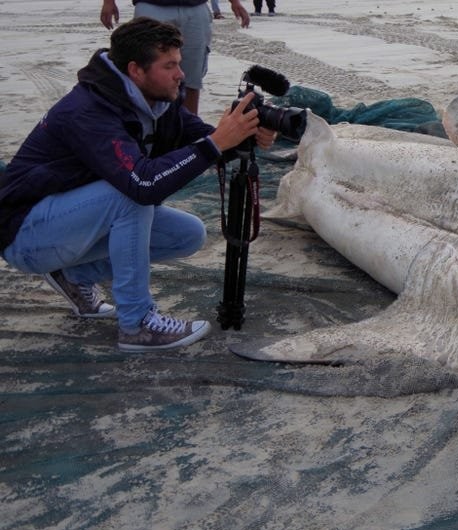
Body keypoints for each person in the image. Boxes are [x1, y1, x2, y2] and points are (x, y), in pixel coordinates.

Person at [0, 17, 274, 351]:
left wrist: (241, 136)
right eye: (169, 65)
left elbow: (199, 139)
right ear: (135, 70)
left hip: (68, 224)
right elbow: (143, 184)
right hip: (24, 234)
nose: (181, 74)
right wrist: (215, 143)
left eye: (179, 63)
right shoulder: (88, 110)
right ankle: (137, 324)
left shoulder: (158, 100)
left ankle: (73, 276)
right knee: (132, 195)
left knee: (186, 235)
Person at [101, 0, 253, 116]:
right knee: (146, 76)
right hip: (152, 6)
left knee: (192, 80)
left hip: (195, 8)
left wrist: (234, 2)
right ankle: (147, 134)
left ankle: (188, 136)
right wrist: (108, 1)